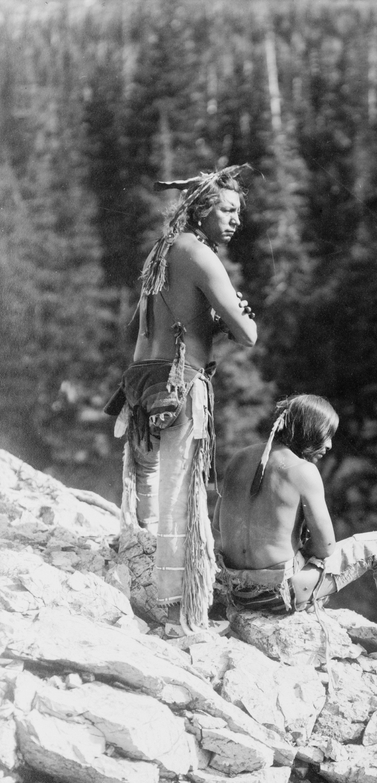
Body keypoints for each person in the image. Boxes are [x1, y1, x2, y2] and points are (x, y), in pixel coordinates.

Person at [105, 165, 257, 633]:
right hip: (182, 383)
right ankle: (176, 606)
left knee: (150, 486)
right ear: (204, 209)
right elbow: (247, 333)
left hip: (143, 380)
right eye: (228, 210)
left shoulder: (162, 251)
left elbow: (149, 326)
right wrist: (237, 316)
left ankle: (143, 583)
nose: (236, 221)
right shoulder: (202, 257)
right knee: (180, 492)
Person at [213, 394, 377, 671]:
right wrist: (301, 554)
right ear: (308, 431)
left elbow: (218, 527)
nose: (329, 445)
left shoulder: (238, 458)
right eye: (326, 436)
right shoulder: (303, 470)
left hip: (235, 591)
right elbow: (326, 548)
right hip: (275, 596)